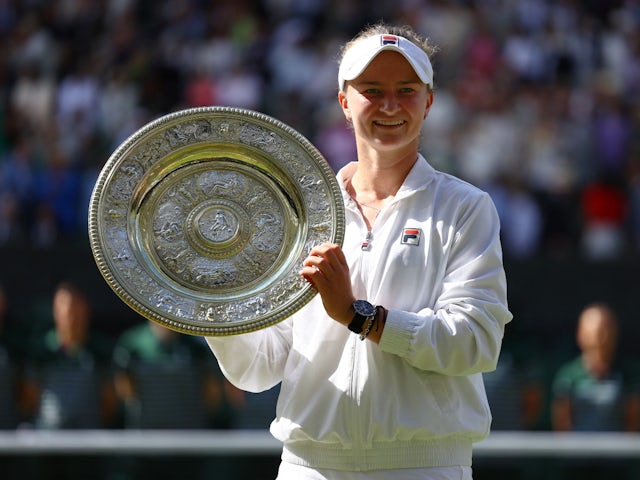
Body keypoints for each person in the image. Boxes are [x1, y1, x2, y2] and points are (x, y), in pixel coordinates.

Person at [206, 22, 512, 480]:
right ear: (344, 102)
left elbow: (474, 344)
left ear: (428, 102)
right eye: (372, 89)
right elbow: (258, 368)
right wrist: (210, 303)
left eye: (406, 90)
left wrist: (359, 316)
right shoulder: (301, 216)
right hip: (308, 468)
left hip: (425, 468)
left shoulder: (466, 208)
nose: (390, 105)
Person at [551, 302, 640, 432]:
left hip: (617, 451)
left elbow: (632, 424)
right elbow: (562, 427)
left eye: (607, 329)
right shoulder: (568, 376)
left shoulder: (629, 375)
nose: (602, 337)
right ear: (580, 335)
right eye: (596, 332)